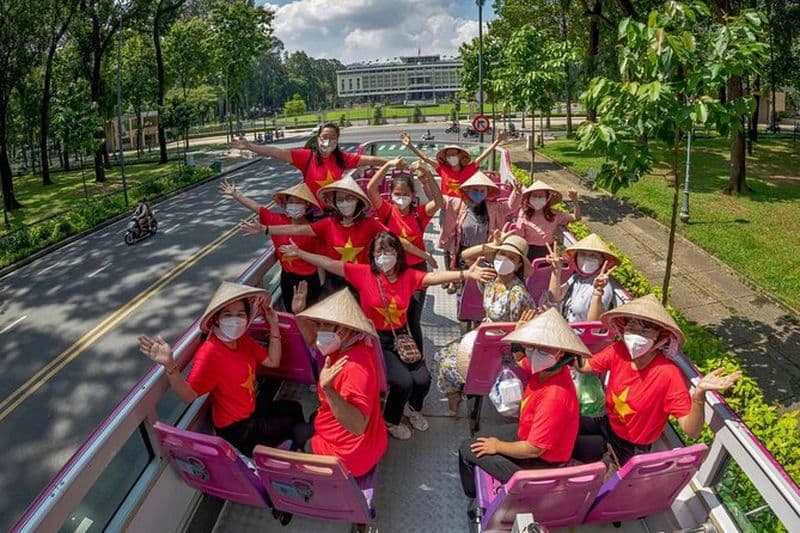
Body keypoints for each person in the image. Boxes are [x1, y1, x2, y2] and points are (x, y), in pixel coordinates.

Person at [281, 231, 496, 440]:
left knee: (422, 380)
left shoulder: (408, 276)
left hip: (401, 337)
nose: (383, 257)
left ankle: (412, 408)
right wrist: (299, 253)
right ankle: (391, 420)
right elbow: (329, 263)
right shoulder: (363, 273)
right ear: (372, 256)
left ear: (398, 254)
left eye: (389, 251)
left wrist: (465, 274)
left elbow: (433, 277)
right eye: (378, 252)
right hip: (374, 339)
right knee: (403, 382)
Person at [137, 282, 306, 456]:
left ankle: (288, 445)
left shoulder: (242, 341)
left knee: (293, 407)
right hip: (238, 430)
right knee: (293, 422)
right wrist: (170, 366)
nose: (235, 320)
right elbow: (188, 395)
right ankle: (288, 455)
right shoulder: (209, 352)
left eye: (240, 314)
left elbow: (273, 361)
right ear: (217, 318)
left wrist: (274, 324)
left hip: (252, 411)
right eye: (228, 314)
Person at [572, 294, 741, 466]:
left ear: (660, 338)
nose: (636, 336)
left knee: (577, 451)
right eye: (632, 327)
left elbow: (691, 431)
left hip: (632, 448)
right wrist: (563, 343)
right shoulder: (618, 351)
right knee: (564, 425)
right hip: (607, 425)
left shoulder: (667, 374)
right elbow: (584, 366)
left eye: (645, 331)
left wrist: (699, 395)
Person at [457, 308, 589, 499]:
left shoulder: (554, 397)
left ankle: (477, 495)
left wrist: (498, 446)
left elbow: (534, 449)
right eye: (533, 346)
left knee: (467, 449)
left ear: (561, 353)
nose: (535, 353)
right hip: (525, 432)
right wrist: (519, 337)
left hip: (541, 460)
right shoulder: (547, 369)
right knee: (479, 437)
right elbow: (521, 361)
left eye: (543, 348)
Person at [265, 175, 429, 294]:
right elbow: (297, 230)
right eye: (341, 199)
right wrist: (267, 229)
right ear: (335, 202)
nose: (345, 203)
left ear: (358, 201)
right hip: (335, 282)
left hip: (362, 282)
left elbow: (398, 240)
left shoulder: (369, 223)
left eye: (349, 198)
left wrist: (425, 256)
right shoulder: (327, 224)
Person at [432, 232, 536, 415]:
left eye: (511, 257)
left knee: (446, 363)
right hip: (482, 336)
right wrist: (490, 245)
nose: (504, 260)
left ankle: (458, 392)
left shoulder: (518, 293)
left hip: (501, 347)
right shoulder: (490, 279)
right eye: (501, 254)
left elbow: (519, 330)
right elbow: (465, 257)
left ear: (519, 264)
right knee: (440, 355)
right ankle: (454, 394)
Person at [292, 289, 388, 477]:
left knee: (297, 431)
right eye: (317, 324)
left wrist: (328, 389)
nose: (318, 331)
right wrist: (299, 313)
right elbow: (313, 341)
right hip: (365, 441)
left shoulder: (356, 369)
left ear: (343, 329)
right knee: (313, 418)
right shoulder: (352, 342)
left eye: (324, 325)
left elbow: (357, 426)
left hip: (347, 459)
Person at [366, 157, 444, 350]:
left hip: (416, 271)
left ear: (413, 195)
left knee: (413, 317)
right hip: (392, 271)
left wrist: (426, 173)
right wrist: (388, 165)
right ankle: (398, 352)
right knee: (396, 316)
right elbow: (370, 189)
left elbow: (439, 201)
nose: (401, 197)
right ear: (391, 194)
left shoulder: (419, 214)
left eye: (405, 194)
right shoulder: (386, 211)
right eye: (397, 194)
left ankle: (417, 355)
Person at [220, 180, 322, 312]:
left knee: (310, 313)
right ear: (285, 204)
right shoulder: (276, 220)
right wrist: (235, 193)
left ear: (307, 205)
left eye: (298, 202)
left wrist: (322, 282)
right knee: (291, 312)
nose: (294, 205)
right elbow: (257, 208)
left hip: (308, 279)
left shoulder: (315, 227)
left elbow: (321, 257)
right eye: (291, 202)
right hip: (287, 277)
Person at [231, 123, 387, 205]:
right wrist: (250, 146)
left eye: (332, 138)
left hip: (335, 213)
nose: (327, 141)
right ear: (318, 138)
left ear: (337, 140)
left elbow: (370, 160)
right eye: (324, 137)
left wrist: (392, 162)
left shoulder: (342, 158)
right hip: (311, 211)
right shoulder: (306, 157)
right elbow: (275, 152)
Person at [440, 170, 522, 293]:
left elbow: (510, 207)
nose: (478, 193)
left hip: (484, 252)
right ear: (468, 190)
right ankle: (458, 290)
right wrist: (426, 181)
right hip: (463, 250)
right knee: (462, 277)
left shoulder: (493, 207)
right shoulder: (459, 204)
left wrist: (516, 193)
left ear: (487, 193)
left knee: (479, 282)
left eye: (482, 191)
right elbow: (438, 199)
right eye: (475, 190)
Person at [399, 130, 509, 197]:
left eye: (454, 154)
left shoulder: (469, 169)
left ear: (460, 156)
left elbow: (483, 155)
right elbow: (425, 158)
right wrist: (410, 145)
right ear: (445, 158)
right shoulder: (442, 169)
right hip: (447, 207)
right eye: (449, 155)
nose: (451, 157)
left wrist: (497, 141)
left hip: (464, 207)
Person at [543, 233, 619, 322]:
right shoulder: (576, 277)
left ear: (602, 260)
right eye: (582, 254)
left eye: (593, 255)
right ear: (576, 257)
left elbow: (593, 326)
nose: (587, 258)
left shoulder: (604, 286)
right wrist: (556, 270)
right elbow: (555, 297)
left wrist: (597, 292)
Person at [514, 180, 580, 260]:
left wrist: (575, 201)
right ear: (529, 198)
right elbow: (519, 236)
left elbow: (576, 217)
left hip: (547, 251)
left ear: (547, 198)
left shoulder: (555, 214)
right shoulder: (524, 214)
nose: (537, 198)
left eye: (541, 196)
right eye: (535, 196)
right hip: (528, 250)